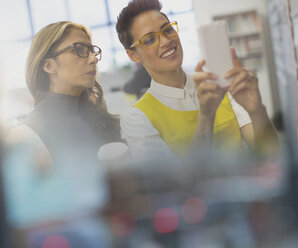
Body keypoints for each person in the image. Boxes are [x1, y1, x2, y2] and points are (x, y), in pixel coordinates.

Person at [6, 21, 123, 247]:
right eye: (79, 49)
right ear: (48, 65)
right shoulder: (28, 134)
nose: (92, 59)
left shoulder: (100, 119)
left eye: (92, 50)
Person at [116, 0, 279, 159]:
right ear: (133, 55)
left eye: (167, 29)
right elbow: (174, 183)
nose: (166, 41)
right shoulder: (136, 118)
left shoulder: (218, 83)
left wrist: (256, 109)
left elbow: (269, 153)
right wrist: (206, 117)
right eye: (150, 39)